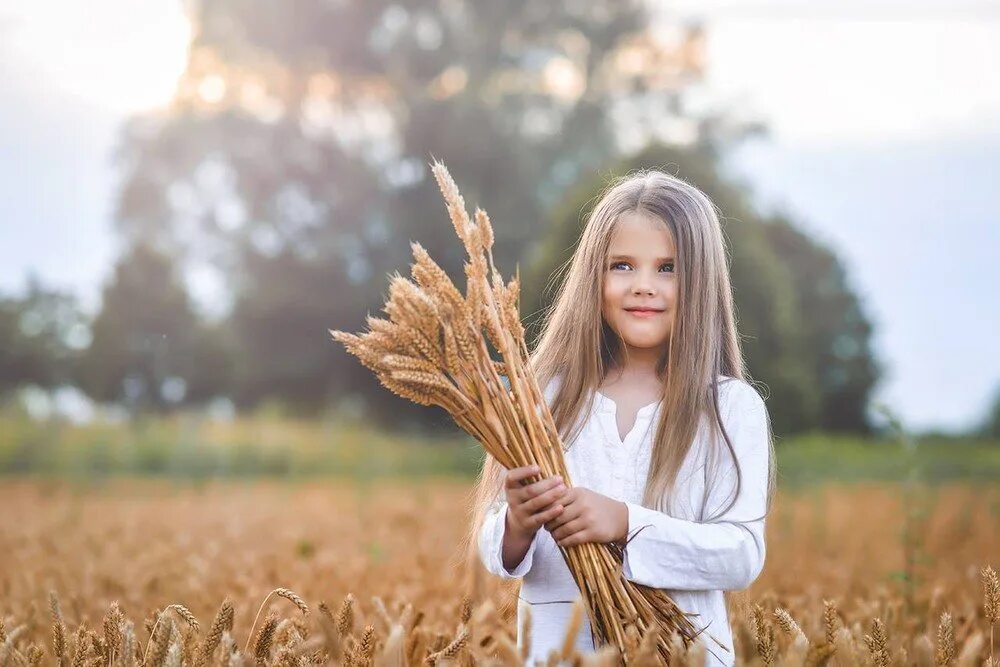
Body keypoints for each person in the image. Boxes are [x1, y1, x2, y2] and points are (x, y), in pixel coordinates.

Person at [464, 169, 777, 666]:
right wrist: (518, 524)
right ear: (594, 275)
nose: (644, 286)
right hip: (559, 655)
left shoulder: (730, 409)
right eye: (623, 266)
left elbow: (740, 554)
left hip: (681, 655)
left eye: (668, 268)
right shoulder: (545, 396)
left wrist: (626, 523)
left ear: (701, 282)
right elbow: (492, 545)